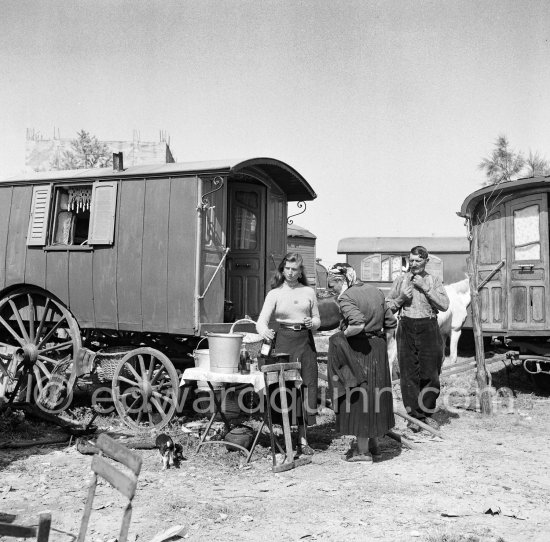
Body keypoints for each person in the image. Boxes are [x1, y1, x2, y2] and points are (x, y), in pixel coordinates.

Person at [327, 263, 397, 463]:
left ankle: (362, 452)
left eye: (333, 285)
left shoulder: (346, 297)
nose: (333, 290)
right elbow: (391, 323)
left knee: (360, 398)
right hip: (378, 349)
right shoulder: (376, 291)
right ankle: (374, 447)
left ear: (341, 280)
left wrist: (342, 335)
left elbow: (357, 324)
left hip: (359, 350)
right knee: (376, 396)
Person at [256, 252, 320, 455]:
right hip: (284, 343)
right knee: (285, 389)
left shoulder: (309, 292)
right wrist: (265, 331)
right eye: (288, 269)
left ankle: (302, 440)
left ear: (301, 271)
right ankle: (285, 441)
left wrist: (313, 323)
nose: (291, 273)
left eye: (295, 269)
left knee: (306, 387)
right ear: (282, 270)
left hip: (305, 343)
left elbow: (318, 320)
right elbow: (261, 323)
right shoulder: (274, 293)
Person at [386, 245, 449, 431]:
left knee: (431, 373)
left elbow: (445, 305)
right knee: (408, 374)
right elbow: (388, 308)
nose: (413, 264)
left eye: (418, 261)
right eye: (411, 260)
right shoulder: (400, 281)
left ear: (426, 261)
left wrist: (425, 288)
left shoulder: (434, 280)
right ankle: (414, 417)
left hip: (429, 326)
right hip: (406, 326)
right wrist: (401, 299)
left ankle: (427, 413)